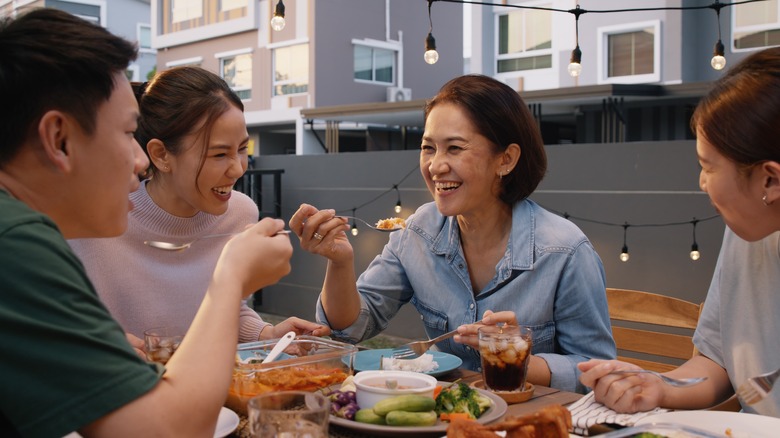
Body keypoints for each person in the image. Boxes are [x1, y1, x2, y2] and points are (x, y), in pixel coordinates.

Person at [0, 8, 293, 437]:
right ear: (59, 139)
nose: (138, 162)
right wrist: (229, 276)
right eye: (126, 134)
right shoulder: (18, 245)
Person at [290, 74, 616, 394]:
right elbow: (350, 329)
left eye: (455, 148)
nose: (435, 166)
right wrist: (340, 261)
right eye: (428, 147)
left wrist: (511, 356)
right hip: (446, 417)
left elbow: (596, 372)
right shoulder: (417, 232)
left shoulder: (565, 251)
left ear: (506, 159)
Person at [578, 47, 780, 417]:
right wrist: (657, 385)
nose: (702, 183)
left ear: (770, 179)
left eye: (708, 166)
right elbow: (716, 362)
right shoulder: (747, 234)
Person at [68, 66, 328, 348]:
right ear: (161, 155)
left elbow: (222, 309)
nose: (238, 169)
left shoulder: (240, 213)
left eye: (242, 149)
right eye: (219, 154)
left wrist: (267, 335)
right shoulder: (97, 225)